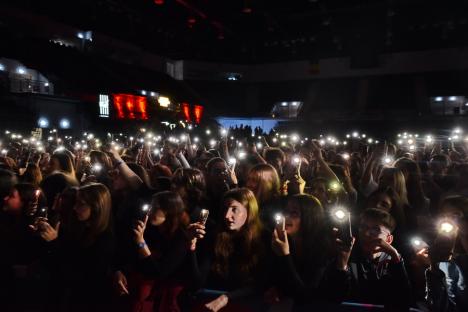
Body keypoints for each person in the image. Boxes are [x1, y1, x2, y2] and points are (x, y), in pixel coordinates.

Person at [35, 183, 115, 311]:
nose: (75, 208)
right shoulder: (79, 226)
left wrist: (54, 242)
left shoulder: (104, 240)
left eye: (81, 204)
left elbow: (79, 274)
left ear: (96, 207)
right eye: (76, 202)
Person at [188, 188, 269, 311]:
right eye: (225, 209)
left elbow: (260, 284)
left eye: (234, 209)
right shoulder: (216, 236)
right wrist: (191, 247)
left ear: (249, 211)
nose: (227, 215)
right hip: (214, 299)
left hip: (246, 302)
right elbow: (198, 282)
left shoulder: (263, 238)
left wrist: (226, 298)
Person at [269, 194, 341, 307]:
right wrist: (275, 289)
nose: (285, 216)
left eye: (294, 213)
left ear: (309, 218)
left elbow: (305, 295)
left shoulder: (323, 249)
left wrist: (284, 255)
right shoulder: (284, 241)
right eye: (285, 211)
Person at [334, 208, 412, 309]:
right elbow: (334, 298)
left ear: (388, 239)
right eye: (363, 227)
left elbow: (404, 302)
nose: (366, 234)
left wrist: (396, 257)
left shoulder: (394, 261)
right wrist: (342, 263)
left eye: (376, 229)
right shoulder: (348, 254)